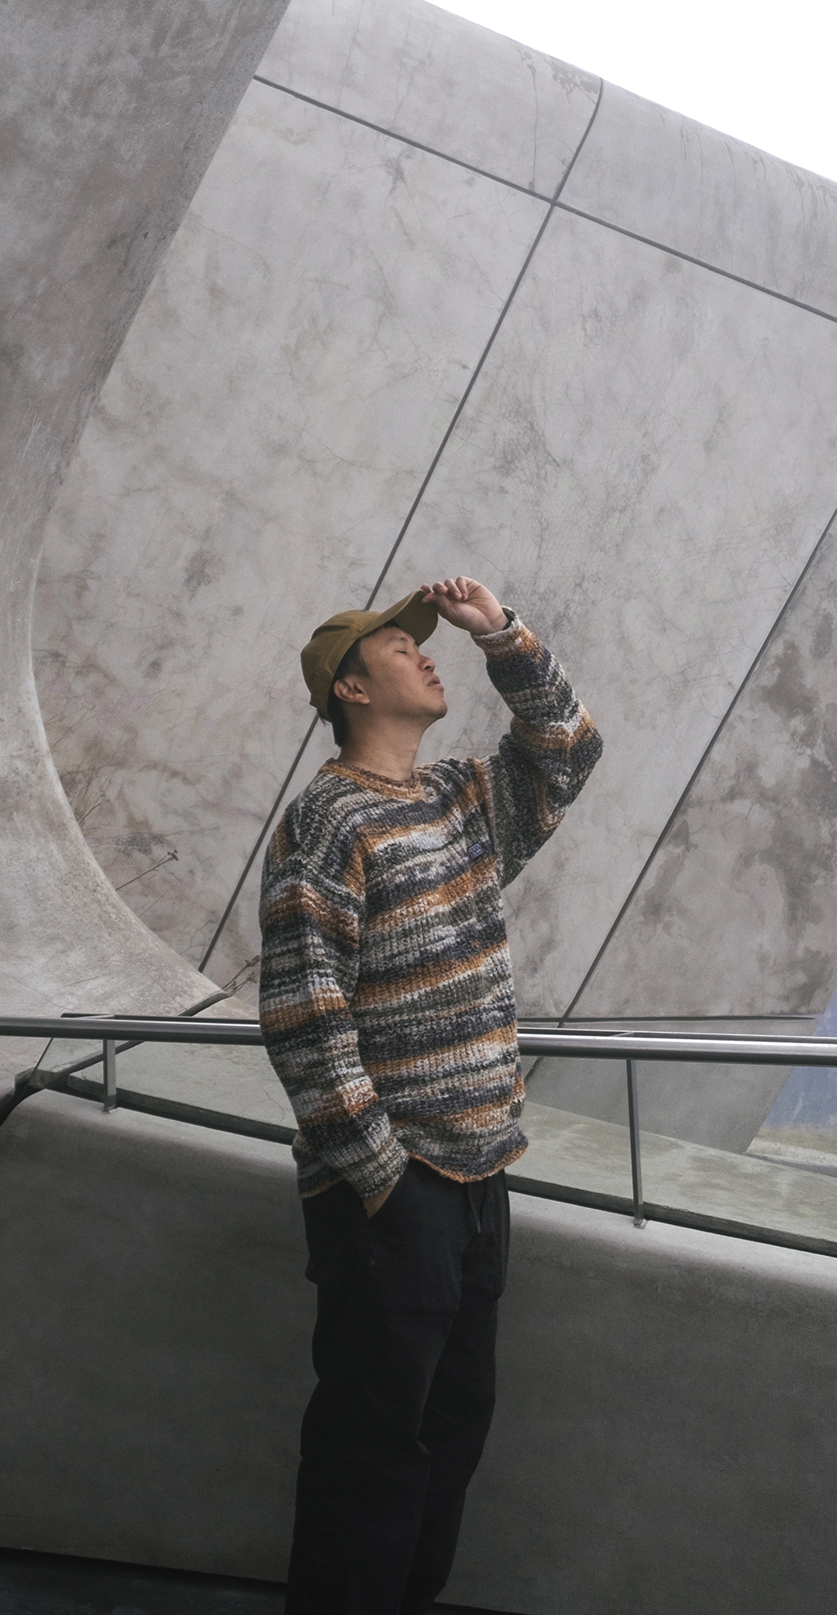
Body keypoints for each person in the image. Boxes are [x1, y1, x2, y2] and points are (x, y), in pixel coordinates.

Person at [258, 574, 602, 1615]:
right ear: (352, 691)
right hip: (396, 1189)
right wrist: (380, 1175)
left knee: (448, 1435)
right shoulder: (327, 818)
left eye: (424, 643)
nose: (423, 652)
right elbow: (302, 1010)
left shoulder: (460, 801)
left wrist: (500, 634)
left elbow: (568, 751)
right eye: (398, 649)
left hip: (480, 1175)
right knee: (373, 1445)